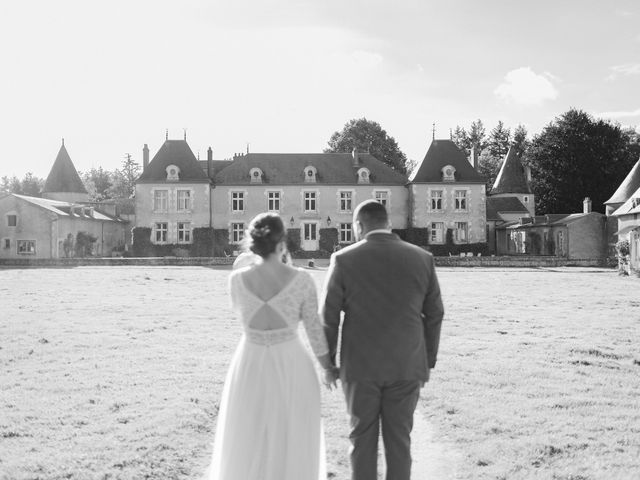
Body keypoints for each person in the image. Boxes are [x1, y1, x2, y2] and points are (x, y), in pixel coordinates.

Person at [207, 212, 337, 480]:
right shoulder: (302, 280)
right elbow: (314, 330)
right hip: (291, 361)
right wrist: (328, 368)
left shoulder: (236, 280)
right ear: (283, 242)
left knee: (249, 432)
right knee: (292, 433)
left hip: (250, 361)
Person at [321, 199, 444, 480]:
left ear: (358, 226)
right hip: (407, 365)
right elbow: (435, 313)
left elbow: (328, 317)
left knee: (361, 440)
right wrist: (428, 360)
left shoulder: (343, 259)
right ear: (388, 223)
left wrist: (328, 364)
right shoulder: (422, 258)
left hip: (360, 367)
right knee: (400, 442)